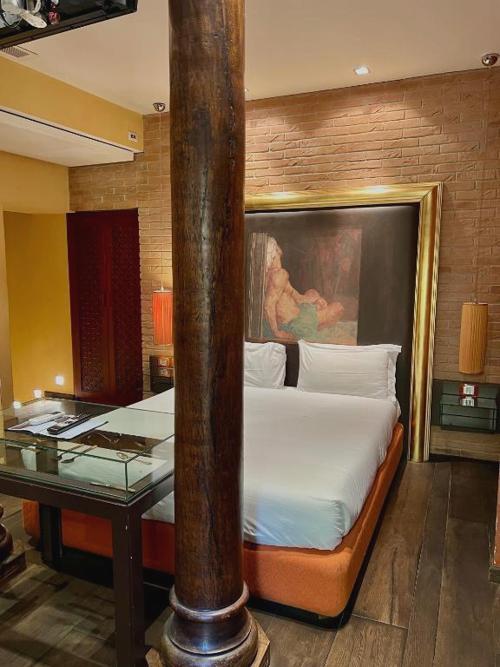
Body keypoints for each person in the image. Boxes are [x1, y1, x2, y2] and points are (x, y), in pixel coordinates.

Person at [263, 236, 345, 341]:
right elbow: (268, 306)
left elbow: (297, 298)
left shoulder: (269, 274)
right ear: (275, 252)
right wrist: (276, 332)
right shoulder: (279, 274)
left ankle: (316, 320)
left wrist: (315, 300)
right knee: (338, 308)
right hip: (296, 322)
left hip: (296, 314)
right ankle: (312, 328)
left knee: (312, 292)